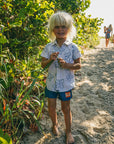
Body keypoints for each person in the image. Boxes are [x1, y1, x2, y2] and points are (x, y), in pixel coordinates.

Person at [41, 11, 81, 144]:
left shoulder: (73, 47)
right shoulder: (48, 47)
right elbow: (42, 65)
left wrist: (67, 65)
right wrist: (49, 60)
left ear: (69, 28)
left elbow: (78, 65)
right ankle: (55, 124)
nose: (60, 29)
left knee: (66, 108)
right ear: (52, 29)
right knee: (51, 107)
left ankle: (68, 132)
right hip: (51, 84)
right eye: (57, 27)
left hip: (66, 85)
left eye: (63, 26)